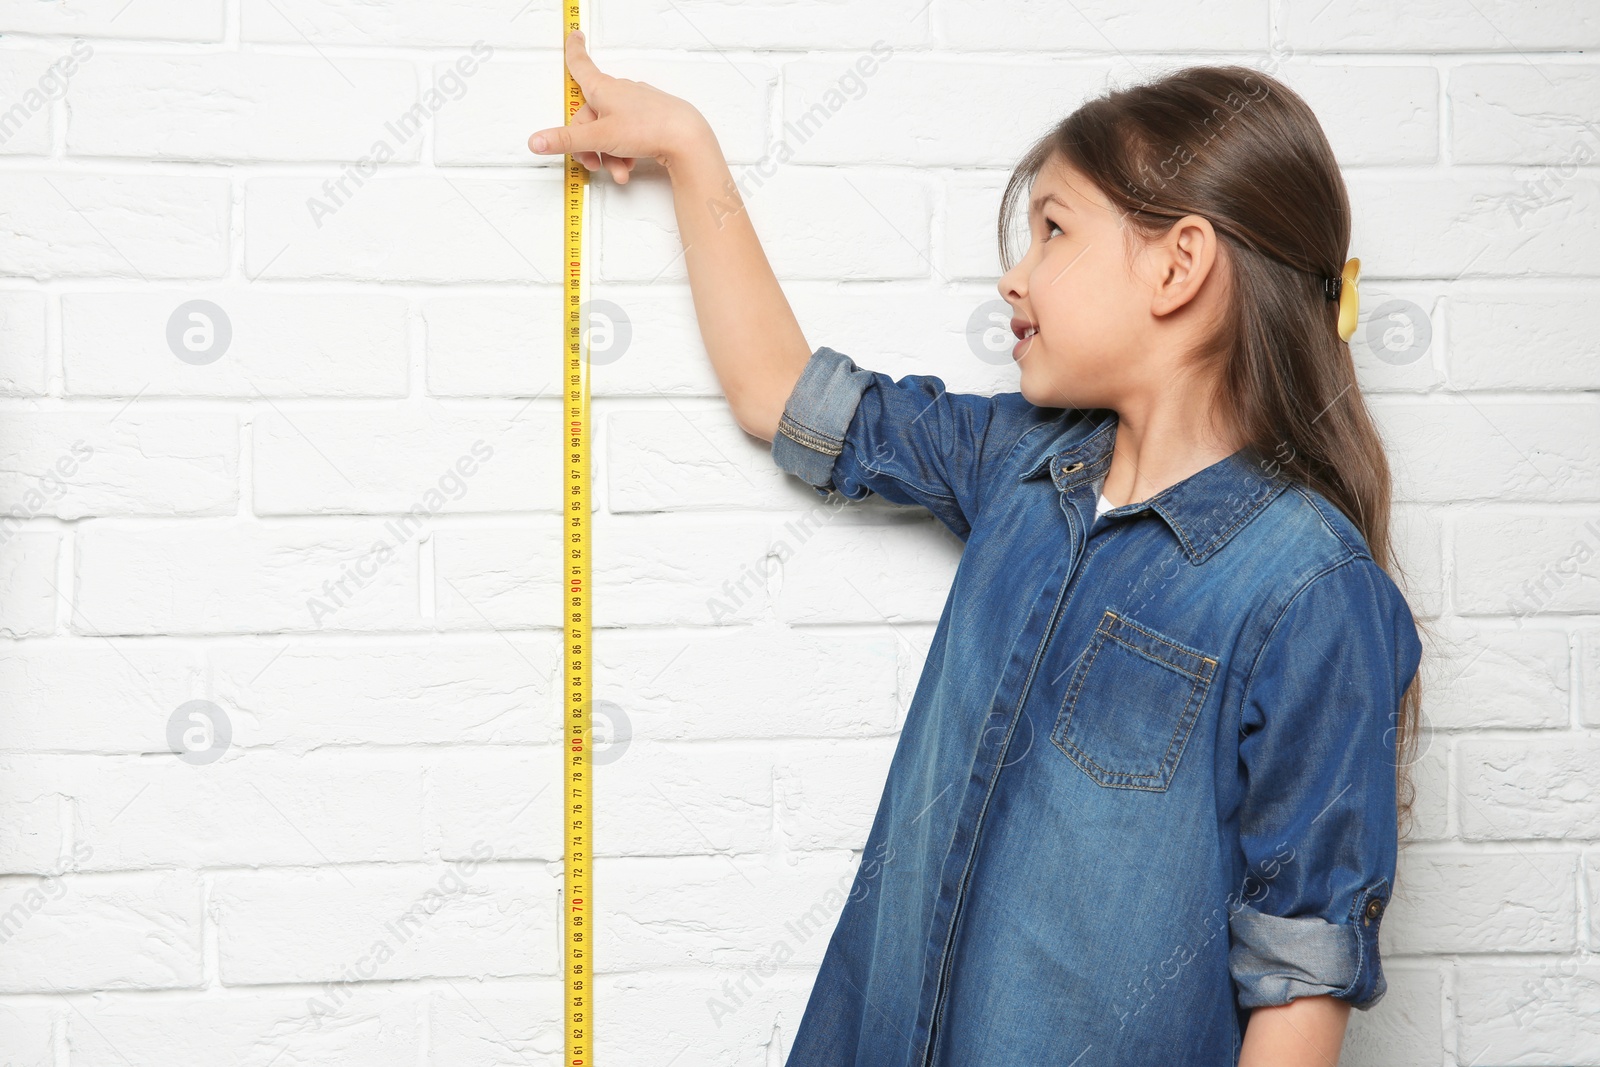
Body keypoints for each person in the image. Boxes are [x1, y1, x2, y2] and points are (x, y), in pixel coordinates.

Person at [530, 29, 1428, 1067]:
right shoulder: (1021, 467)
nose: (1013, 277)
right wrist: (689, 149)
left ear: (1179, 263)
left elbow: (1299, 984)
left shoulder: (1310, 590)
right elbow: (780, 395)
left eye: (1051, 229)